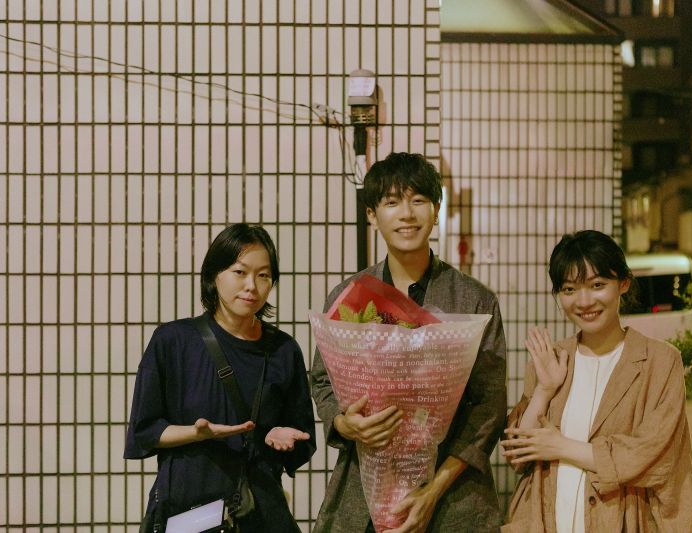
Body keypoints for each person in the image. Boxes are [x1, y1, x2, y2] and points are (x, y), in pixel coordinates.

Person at [310, 152, 507, 533]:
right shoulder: (351, 296)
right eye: (392, 202)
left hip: (452, 499)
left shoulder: (474, 300)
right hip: (364, 491)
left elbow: (490, 405)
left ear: (436, 211)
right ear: (372, 215)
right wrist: (343, 423)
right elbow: (322, 379)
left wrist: (433, 490)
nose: (407, 214)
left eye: (418, 200)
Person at [501, 230, 692, 532]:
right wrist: (544, 389)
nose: (584, 301)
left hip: (623, 521)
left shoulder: (660, 362)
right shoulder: (553, 360)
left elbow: (650, 453)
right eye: (569, 289)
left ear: (623, 283)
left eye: (597, 285)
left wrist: (561, 447)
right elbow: (518, 456)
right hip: (548, 521)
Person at [124, 223, 316, 532]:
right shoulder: (173, 341)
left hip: (260, 514)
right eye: (240, 272)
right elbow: (145, 430)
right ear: (214, 274)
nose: (252, 285)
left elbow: (304, 437)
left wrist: (279, 437)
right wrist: (197, 433)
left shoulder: (283, 349)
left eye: (263, 275)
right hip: (188, 511)